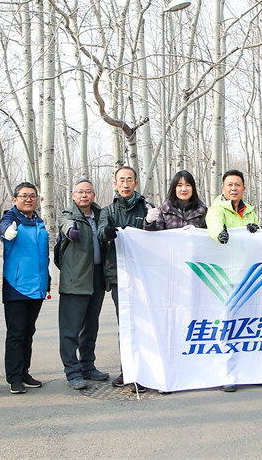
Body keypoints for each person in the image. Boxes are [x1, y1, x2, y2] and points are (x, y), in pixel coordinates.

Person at [204, 169, 262, 392]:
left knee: (247, 324)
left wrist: (255, 230)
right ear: (223, 188)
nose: (234, 188)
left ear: (244, 188)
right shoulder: (217, 208)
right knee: (226, 324)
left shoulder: (250, 212)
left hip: (247, 273)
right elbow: (213, 223)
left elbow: (259, 236)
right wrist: (220, 234)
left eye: (238, 184)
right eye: (230, 185)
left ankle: (249, 370)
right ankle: (224, 373)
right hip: (226, 274)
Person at [99, 166, 152, 388]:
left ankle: (149, 372)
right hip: (119, 276)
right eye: (121, 180)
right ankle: (127, 371)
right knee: (126, 324)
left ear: (136, 183)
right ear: (115, 184)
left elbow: (157, 235)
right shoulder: (108, 211)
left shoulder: (147, 208)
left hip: (144, 277)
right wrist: (107, 233)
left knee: (146, 324)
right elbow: (101, 231)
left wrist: (152, 223)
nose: (125, 184)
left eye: (129, 180)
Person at [57, 179, 110, 390]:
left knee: (91, 326)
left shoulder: (100, 215)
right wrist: (71, 230)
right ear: (73, 195)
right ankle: (72, 372)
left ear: (94, 195)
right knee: (71, 329)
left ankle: (87, 366)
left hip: (97, 276)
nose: (84, 195)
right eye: (80, 192)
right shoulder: (68, 215)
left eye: (88, 192)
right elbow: (65, 225)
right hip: (75, 279)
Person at [0, 182, 50, 395]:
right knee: (16, 333)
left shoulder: (38, 222)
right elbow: (3, 228)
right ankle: (14, 377)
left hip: (37, 286)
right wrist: (7, 231)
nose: (28, 199)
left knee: (28, 331)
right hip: (17, 285)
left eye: (32, 196)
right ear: (15, 199)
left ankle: (24, 371)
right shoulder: (11, 219)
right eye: (24, 196)